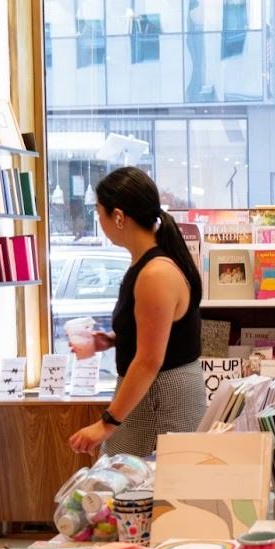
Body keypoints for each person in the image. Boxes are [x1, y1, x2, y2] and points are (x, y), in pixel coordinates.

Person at [69, 167, 207, 458]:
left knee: (142, 491)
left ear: (118, 216)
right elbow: (157, 336)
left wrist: (106, 424)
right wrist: (112, 339)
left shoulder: (154, 273)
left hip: (160, 399)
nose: (99, 219)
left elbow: (148, 361)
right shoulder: (149, 264)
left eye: (99, 212)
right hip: (156, 395)